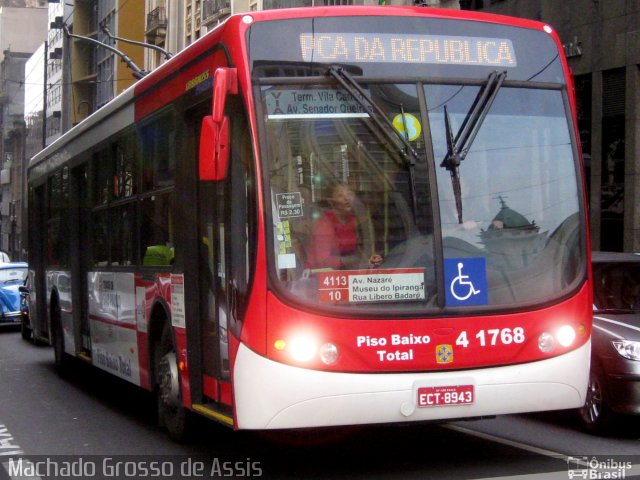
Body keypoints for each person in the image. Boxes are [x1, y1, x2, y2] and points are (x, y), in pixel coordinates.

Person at [307, 183, 383, 270]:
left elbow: (362, 250)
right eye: (340, 195)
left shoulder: (353, 220)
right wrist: (357, 260)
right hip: (323, 275)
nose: (346, 198)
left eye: (349, 194)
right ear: (331, 201)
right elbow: (323, 261)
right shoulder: (324, 224)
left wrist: (372, 259)